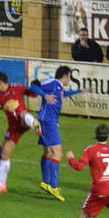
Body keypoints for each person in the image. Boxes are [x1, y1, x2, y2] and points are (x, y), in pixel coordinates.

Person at [29, 66, 89, 201]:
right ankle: (54, 187)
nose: (70, 79)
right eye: (70, 76)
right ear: (66, 75)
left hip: (45, 121)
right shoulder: (53, 83)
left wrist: (80, 90)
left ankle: (45, 183)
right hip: (48, 122)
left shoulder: (59, 87)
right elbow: (33, 86)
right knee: (58, 154)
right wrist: (45, 95)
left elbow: (63, 95)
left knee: (48, 153)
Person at [0, 71, 41, 197]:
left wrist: (37, 87)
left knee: (21, 112)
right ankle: (0, 185)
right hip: (13, 128)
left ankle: (35, 125)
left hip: (24, 122)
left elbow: (32, 94)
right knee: (4, 154)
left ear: (0, 83)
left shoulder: (17, 88)